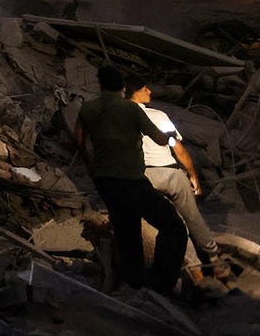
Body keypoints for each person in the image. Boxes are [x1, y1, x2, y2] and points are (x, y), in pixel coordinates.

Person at [74, 63, 187, 294]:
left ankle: (133, 283)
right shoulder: (131, 110)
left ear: (100, 84)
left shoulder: (88, 109)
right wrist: (169, 136)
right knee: (173, 226)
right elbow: (158, 138)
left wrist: (91, 165)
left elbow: (79, 140)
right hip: (132, 180)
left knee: (128, 231)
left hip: (105, 181)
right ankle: (161, 285)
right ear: (123, 87)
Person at [125, 73, 222, 278]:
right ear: (135, 93)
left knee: (174, 223)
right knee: (193, 217)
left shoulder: (119, 119)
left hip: (145, 177)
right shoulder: (158, 116)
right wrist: (192, 174)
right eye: (145, 88)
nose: (149, 91)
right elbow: (177, 147)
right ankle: (216, 260)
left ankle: (196, 271)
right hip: (171, 174)